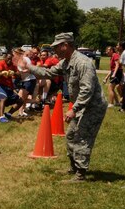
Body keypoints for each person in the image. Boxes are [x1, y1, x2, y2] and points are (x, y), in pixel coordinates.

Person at [25, 32, 107, 182]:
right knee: (70, 135)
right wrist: (29, 67)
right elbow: (48, 72)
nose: (54, 50)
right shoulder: (66, 62)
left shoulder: (83, 63)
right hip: (82, 105)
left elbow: (86, 90)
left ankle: (81, 174)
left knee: (82, 137)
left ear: (65, 45)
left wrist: (74, 109)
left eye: (56, 47)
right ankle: (74, 168)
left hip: (93, 106)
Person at [0, 52, 22, 123]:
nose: (9, 60)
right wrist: (3, 73)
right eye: (8, 59)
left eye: (11, 59)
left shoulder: (13, 65)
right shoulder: (0, 63)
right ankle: (1, 117)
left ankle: (8, 114)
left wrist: (14, 73)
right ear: (4, 58)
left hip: (9, 88)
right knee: (3, 98)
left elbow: (19, 75)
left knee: (21, 101)